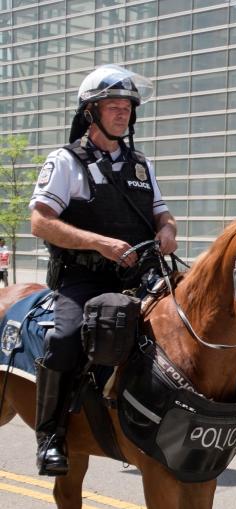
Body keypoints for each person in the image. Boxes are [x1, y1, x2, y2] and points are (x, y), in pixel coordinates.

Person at [29, 64, 177, 475]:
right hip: (85, 277)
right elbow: (40, 221)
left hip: (141, 275)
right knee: (65, 338)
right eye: (112, 106)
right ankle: (51, 436)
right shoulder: (66, 161)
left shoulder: (141, 165)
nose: (122, 113)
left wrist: (167, 231)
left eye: (127, 107)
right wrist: (98, 242)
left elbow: (164, 216)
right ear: (90, 113)